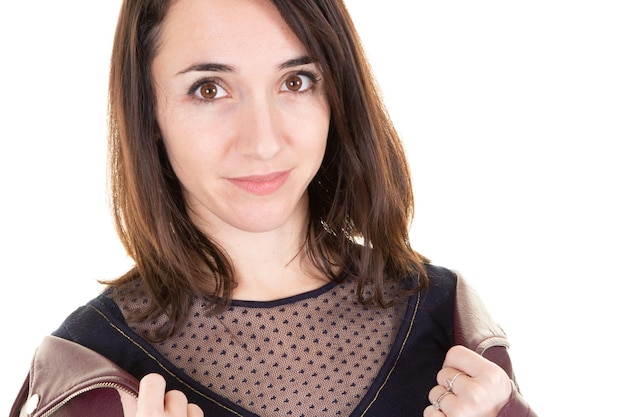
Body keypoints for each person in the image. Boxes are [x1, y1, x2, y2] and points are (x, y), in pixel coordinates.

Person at [11, 0, 536, 416]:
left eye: (295, 81)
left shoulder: (449, 323)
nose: (263, 142)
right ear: (148, 109)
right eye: (209, 88)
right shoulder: (91, 369)